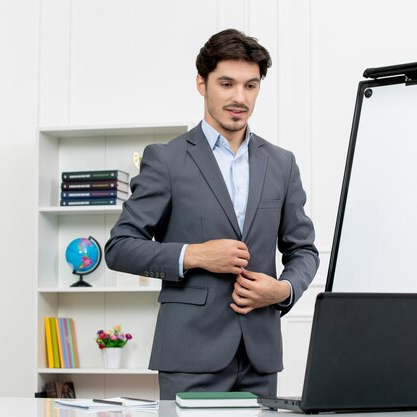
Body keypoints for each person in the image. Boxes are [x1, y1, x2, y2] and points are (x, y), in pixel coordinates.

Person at [104, 28, 319, 400]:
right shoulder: (166, 159)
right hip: (189, 356)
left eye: (250, 86)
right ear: (201, 84)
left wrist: (283, 290)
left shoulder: (282, 164)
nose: (240, 98)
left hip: (260, 358)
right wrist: (196, 255)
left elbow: (304, 251)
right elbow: (120, 247)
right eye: (226, 83)